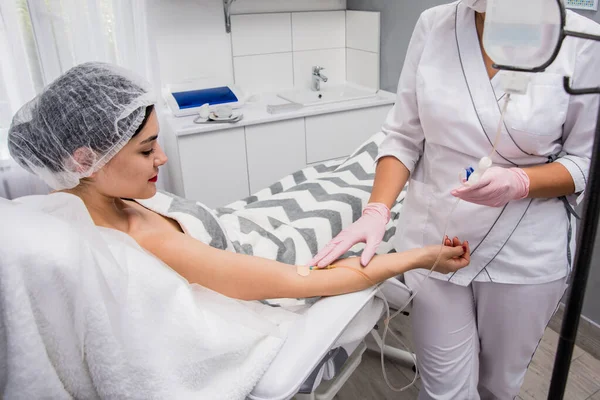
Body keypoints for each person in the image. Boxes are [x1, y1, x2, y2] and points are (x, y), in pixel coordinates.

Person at [309, 0, 600, 398]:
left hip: (523, 252)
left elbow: (584, 162)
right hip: (435, 238)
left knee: (499, 386)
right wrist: (377, 209)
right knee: (443, 389)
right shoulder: (436, 24)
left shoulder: (583, 41)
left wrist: (520, 181)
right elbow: (403, 135)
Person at [7, 61, 470, 305]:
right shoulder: (143, 236)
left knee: (356, 162)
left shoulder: (71, 198)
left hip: (246, 217)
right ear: (85, 158)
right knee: (376, 174)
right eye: (147, 149)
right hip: (269, 242)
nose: (162, 158)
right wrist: (424, 255)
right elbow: (303, 280)